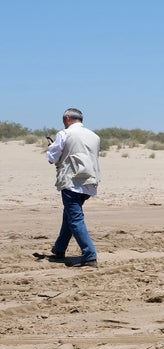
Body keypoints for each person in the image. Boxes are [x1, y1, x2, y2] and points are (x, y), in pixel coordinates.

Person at [44, 108, 101, 267]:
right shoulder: (95, 136)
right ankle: (59, 249)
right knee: (69, 216)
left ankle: (89, 255)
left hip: (72, 181)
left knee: (75, 219)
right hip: (90, 182)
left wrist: (51, 148)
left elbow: (52, 158)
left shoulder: (64, 134)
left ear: (67, 119)